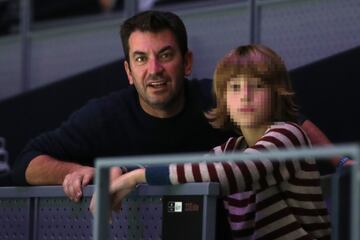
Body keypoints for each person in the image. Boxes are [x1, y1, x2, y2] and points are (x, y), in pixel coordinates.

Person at [11, 10, 345, 203]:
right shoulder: (103, 114)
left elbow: (294, 128)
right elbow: (26, 162)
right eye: (141, 59)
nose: (154, 70)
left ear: (186, 63)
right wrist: (79, 172)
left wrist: (347, 164)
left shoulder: (221, 101)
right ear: (128, 72)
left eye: (165, 55)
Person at [95, 45, 331, 239]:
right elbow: (190, 171)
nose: (245, 96)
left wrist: (136, 178)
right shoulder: (229, 150)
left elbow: (235, 173)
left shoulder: (288, 135)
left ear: (277, 93)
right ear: (224, 99)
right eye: (235, 87)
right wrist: (121, 171)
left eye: (257, 86)